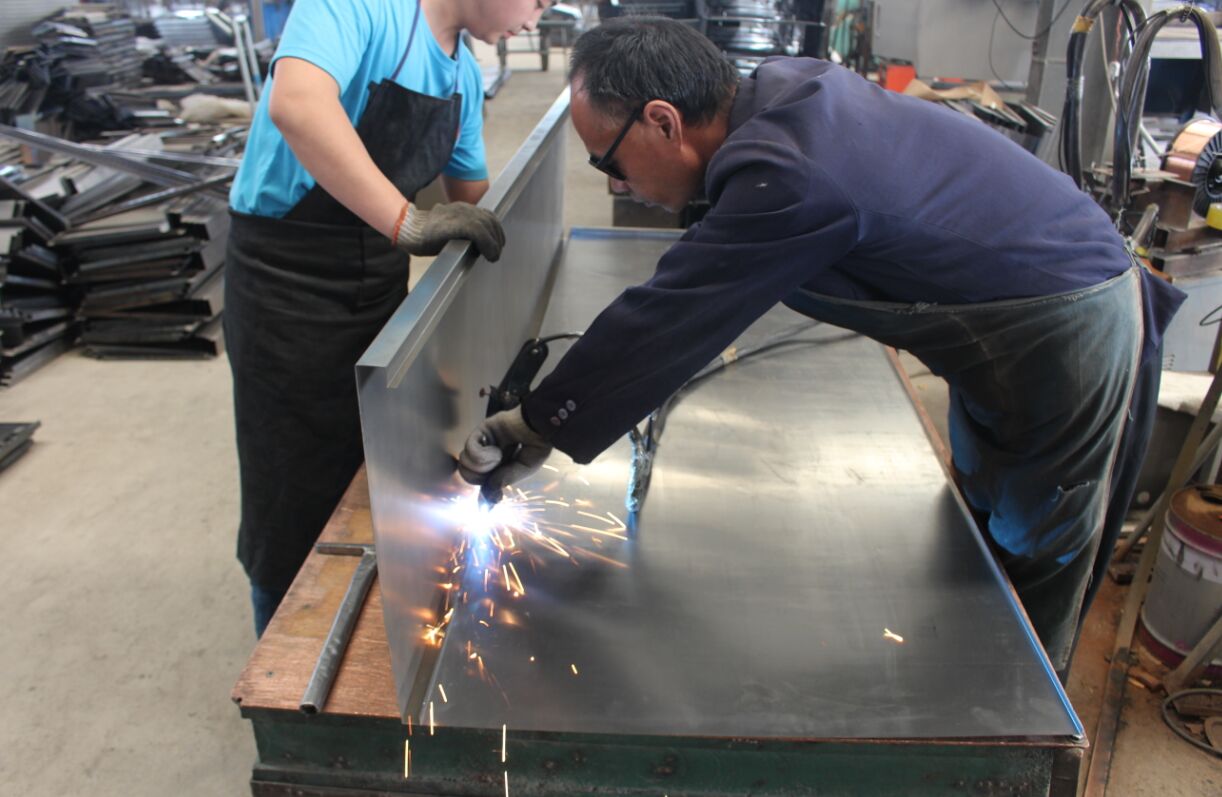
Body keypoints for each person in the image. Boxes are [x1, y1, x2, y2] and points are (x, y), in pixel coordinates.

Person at [458, 17, 1188, 677]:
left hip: (1065, 327)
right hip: (1000, 332)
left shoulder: (793, 172)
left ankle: (1014, 724)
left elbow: (672, 314)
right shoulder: (773, 98)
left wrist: (540, 422)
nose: (616, 183)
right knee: (982, 517)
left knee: (1034, 545)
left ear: (663, 121)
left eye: (608, 162)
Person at [227, 0, 550, 636]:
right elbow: (298, 105)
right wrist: (407, 221)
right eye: (537, 0)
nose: (536, 20)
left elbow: (473, 202)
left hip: (374, 280)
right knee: (289, 488)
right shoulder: (359, 9)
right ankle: (282, 650)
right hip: (285, 286)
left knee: (367, 461)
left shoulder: (460, 76)